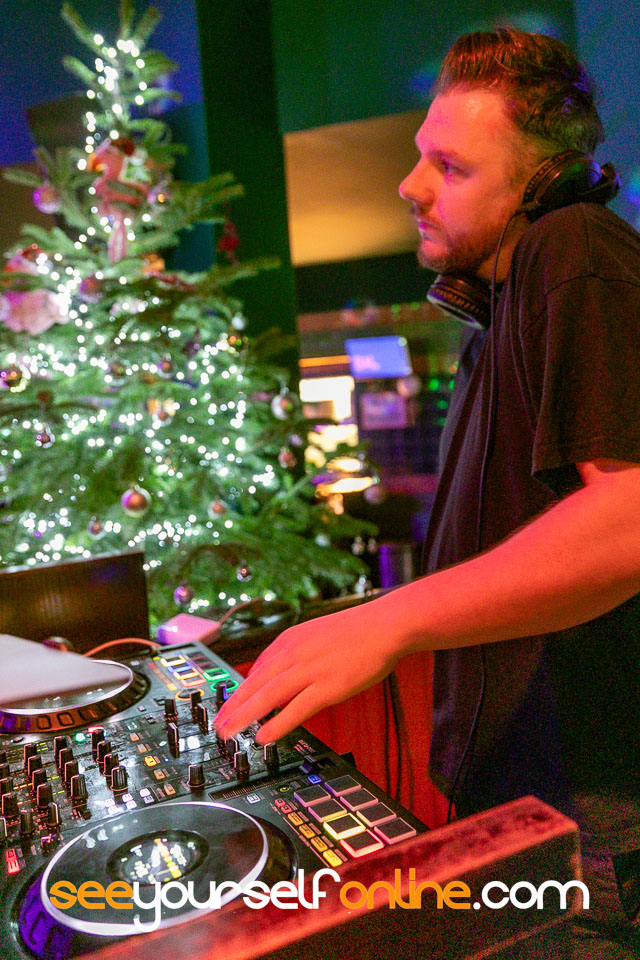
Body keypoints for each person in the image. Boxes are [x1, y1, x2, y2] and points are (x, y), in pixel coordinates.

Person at [216, 28, 640, 955]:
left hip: (595, 819)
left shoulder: (572, 245)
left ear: (541, 182)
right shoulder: (499, 309)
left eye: (451, 166)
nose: (411, 186)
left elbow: (629, 520)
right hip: (531, 799)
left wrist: (389, 621)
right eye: (421, 156)